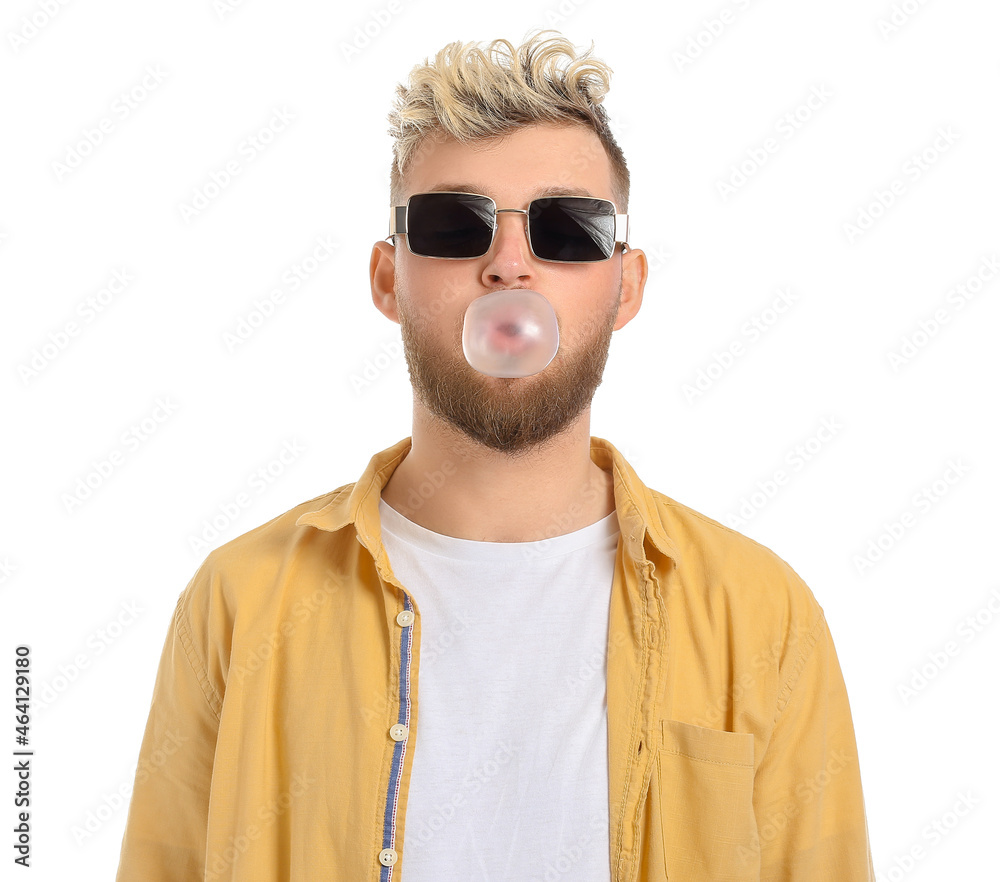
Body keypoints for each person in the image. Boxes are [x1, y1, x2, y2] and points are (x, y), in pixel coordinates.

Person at [115, 30, 874, 882]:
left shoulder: (760, 616)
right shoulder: (239, 603)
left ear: (626, 285)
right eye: (453, 224)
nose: (509, 264)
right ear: (388, 277)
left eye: (566, 228)